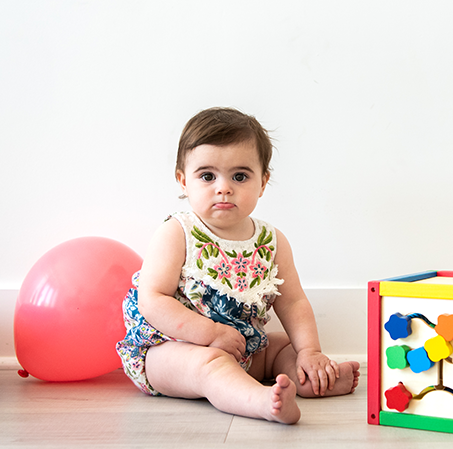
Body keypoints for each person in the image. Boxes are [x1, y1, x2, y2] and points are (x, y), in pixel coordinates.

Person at [117, 107, 360, 424]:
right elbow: (153, 300)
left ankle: (310, 378)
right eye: (207, 176)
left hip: (244, 349)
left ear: (262, 183)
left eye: (240, 176)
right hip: (171, 353)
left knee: (285, 346)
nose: (223, 187)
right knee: (211, 365)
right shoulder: (178, 233)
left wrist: (309, 351)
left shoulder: (272, 242)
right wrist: (211, 333)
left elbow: (294, 302)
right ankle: (260, 401)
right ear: (182, 180)